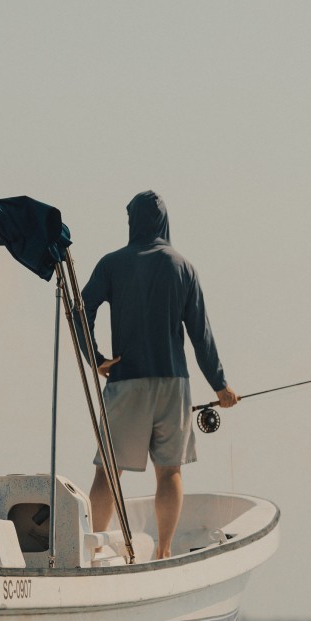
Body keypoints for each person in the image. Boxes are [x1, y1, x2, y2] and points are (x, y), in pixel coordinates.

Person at [79, 190, 238, 559]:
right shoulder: (183, 266)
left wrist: (96, 358)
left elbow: (80, 308)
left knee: (108, 473)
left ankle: (91, 553)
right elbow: (201, 334)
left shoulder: (111, 264)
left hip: (126, 381)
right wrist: (220, 385)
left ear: (132, 221)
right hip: (173, 384)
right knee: (169, 473)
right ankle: (164, 551)